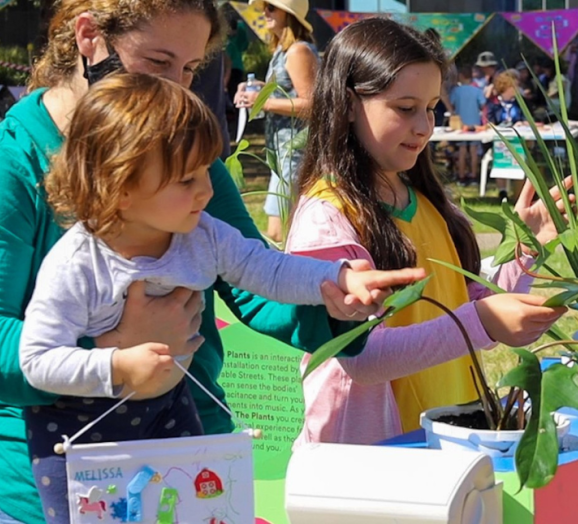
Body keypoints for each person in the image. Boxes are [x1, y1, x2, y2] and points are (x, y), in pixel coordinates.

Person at [0, 1, 390, 522]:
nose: (179, 89)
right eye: (159, 62)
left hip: (191, 454)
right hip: (61, 477)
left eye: (189, 69)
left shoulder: (187, 161)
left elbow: (253, 282)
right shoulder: (15, 161)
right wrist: (116, 350)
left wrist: (336, 301)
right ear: (90, 37)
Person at [287, 18, 570, 445]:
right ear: (347, 104)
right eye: (405, 108)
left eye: (432, 106)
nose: (425, 125)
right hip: (371, 461)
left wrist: (524, 251)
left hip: (445, 437)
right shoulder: (326, 218)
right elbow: (361, 356)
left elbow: (464, 302)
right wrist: (483, 322)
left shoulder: (428, 203)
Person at [234, 0, 317, 243]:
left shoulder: (298, 51)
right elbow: (287, 92)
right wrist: (258, 88)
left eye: (271, 7)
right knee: (285, 230)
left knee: (277, 232)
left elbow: (312, 105)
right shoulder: (283, 50)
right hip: (283, 152)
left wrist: (262, 101)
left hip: (294, 152)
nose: (264, 12)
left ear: (289, 14)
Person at [486, 71, 527, 201]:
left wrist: (521, 123)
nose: (517, 88)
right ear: (507, 87)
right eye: (514, 85)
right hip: (499, 139)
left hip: (517, 139)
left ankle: (517, 191)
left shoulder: (520, 103)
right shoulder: (494, 104)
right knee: (499, 155)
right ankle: (502, 191)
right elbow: (489, 121)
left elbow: (526, 119)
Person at [450, 65, 486, 186]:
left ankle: (461, 176)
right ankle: (474, 175)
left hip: (461, 125)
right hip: (475, 124)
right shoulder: (477, 90)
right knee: (474, 151)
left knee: (462, 150)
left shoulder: (456, 91)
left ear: (461, 76)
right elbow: (483, 104)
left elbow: (452, 104)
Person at [225, 17, 249, 105]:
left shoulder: (230, 43)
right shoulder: (235, 40)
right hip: (238, 69)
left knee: (233, 94)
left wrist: (224, 82)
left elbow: (228, 63)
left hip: (234, 70)